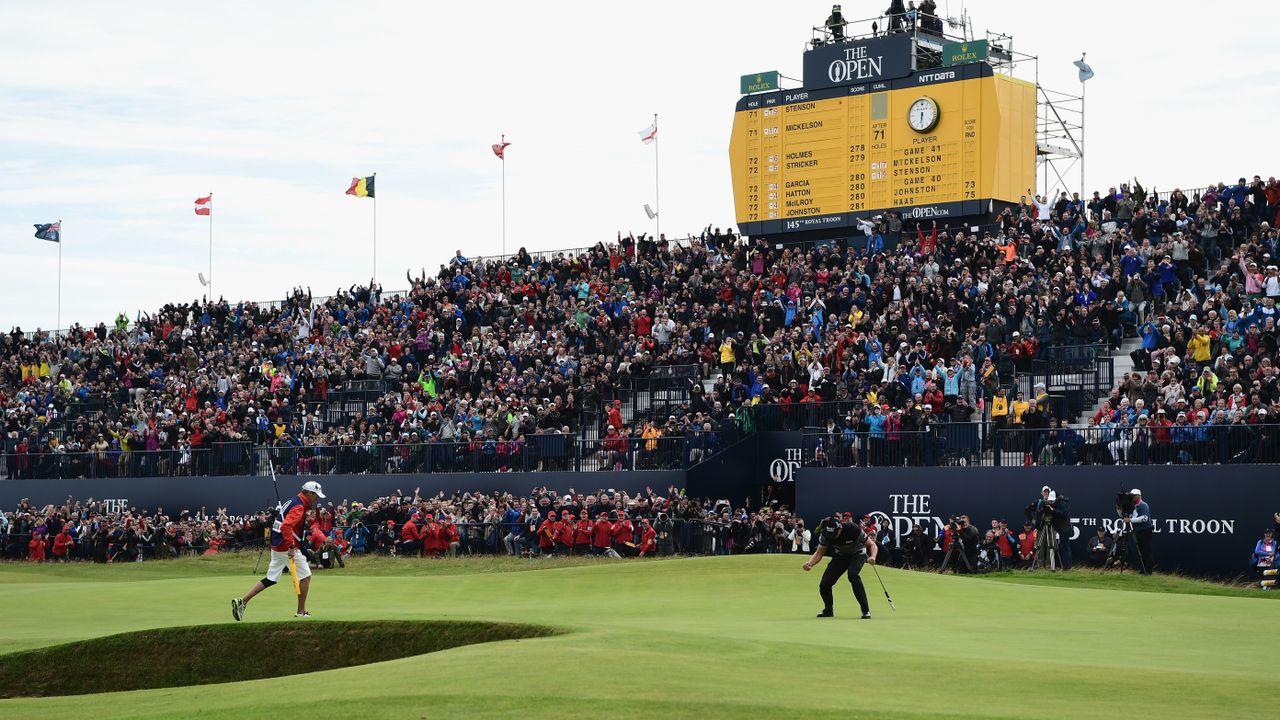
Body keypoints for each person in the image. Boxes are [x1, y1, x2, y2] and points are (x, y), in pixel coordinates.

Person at [232, 480, 325, 620]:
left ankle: (242, 601)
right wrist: (291, 547)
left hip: (276, 544)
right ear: (310, 493)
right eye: (316, 495)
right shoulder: (299, 506)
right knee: (305, 577)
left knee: (271, 579)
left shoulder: (294, 500)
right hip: (285, 546)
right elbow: (286, 526)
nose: (317, 498)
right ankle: (301, 612)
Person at [803, 515, 878, 619]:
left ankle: (865, 610)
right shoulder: (826, 534)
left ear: (840, 528)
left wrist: (873, 557)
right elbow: (819, 553)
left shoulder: (853, 529)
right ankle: (828, 610)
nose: (833, 536)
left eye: (835, 533)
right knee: (825, 584)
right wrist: (810, 563)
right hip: (840, 556)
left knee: (852, 575)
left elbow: (872, 545)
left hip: (858, 553)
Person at [1122, 488, 1154, 575]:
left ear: (1139, 496)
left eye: (1134, 496)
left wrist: (1130, 520)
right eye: (1131, 496)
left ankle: (1148, 571)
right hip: (1138, 531)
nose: (1132, 497)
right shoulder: (1132, 506)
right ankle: (1142, 570)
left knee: (1146, 551)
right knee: (1140, 551)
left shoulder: (1143, 505)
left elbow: (1144, 518)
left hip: (1146, 531)